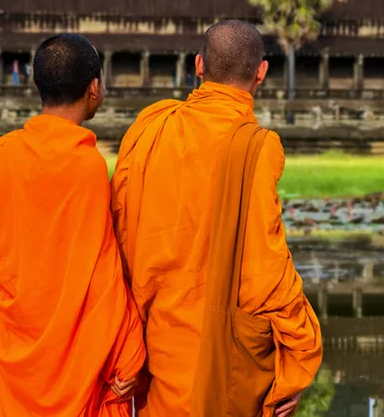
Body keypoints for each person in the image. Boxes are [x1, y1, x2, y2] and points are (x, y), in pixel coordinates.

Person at [112, 20, 322, 417]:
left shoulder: (151, 128)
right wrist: (298, 357)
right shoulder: (257, 147)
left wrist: (122, 340)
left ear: (198, 65)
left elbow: (119, 236)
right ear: (261, 72)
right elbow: (266, 272)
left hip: (153, 343)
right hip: (223, 358)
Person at [0, 34, 146, 416]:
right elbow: (102, 271)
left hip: (20, 351)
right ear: (94, 88)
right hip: (80, 358)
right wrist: (128, 345)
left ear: (39, 85)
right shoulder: (87, 167)